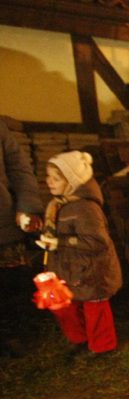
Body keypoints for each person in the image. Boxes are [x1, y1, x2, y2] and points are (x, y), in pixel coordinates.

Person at [39, 151, 122, 357]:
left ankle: (102, 346)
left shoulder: (85, 208)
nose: (49, 181)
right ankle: (80, 340)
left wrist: (60, 242)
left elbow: (97, 241)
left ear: (72, 179)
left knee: (95, 309)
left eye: (56, 178)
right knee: (67, 305)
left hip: (91, 269)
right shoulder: (58, 204)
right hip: (69, 267)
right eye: (48, 176)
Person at [0, 119, 44, 358]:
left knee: (11, 285)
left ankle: (14, 337)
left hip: (3, 222)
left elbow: (18, 168)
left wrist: (28, 205)